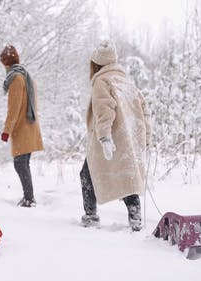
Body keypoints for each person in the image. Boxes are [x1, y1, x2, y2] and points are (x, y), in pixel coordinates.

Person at [80, 40, 152, 231]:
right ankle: (136, 220)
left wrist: (104, 137)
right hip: (128, 139)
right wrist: (146, 139)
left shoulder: (101, 81)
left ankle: (90, 217)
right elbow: (144, 110)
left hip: (111, 139)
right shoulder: (125, 81)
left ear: (96, 63)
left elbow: (105, 110)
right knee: (126, 177)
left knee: (87, 175)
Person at [0, 45, 44, 208]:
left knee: (20, 164)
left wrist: (6, 131)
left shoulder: (16, 78)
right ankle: (28, 197)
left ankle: (29, 198)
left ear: (5, 62)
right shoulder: (25, 75)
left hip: (22, 127)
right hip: (29, 125)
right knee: (23, 163)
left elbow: (14, 108)